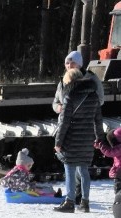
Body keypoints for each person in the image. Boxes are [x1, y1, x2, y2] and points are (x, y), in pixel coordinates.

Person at [52, 50, 103, 206]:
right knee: (84, 169)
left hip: (71, 135)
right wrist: (99, 137)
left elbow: (65, 122)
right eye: (67, 63)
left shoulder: (72, 93)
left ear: (79, 65)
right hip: (86, 135)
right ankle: (85, 201)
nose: (69, 65)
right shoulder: (91, 93)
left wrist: (58, 142)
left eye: (72, 63)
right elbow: (98, 119)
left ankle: (70, 200)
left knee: (70, 169)